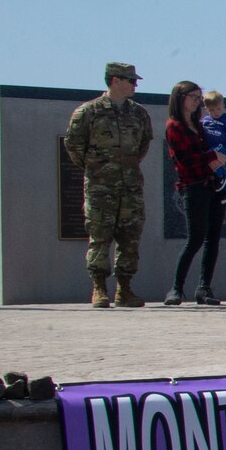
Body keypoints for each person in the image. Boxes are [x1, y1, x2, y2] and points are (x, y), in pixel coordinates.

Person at [63, 61, 154, 308]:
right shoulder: (88, 112)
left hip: (131, 186)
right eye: (131, 80)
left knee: (130, 237)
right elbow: (74, 146)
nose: (135, 85)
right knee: (100, 237)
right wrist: (98, 168)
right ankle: (99, 288)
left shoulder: (139, 114)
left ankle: (124, 289)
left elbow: (143, 145)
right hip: (100, 187)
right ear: (115, 80)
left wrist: (126, 168)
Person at [162, 80, 226, 306]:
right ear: (180, 97)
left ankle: (204, 288)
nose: (198, 101)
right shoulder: (174, 126)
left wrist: (221, 154)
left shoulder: (200, 125)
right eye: (193, 96)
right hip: (193, 186)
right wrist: (211, 158)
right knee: (195, 238)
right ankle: (176, 289)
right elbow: (185, 160)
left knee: (213, 239)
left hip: (213, 185)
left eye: (199, 97)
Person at [200, 90, 226, 205]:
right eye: (212, 110)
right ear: (206, 108)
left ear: (223, 106)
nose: (216, 112)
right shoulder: (205, 121)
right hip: (209, 146)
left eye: (218, 109)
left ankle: (220, 178)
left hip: (221, 146)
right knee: (210, 161)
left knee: (213, 157)